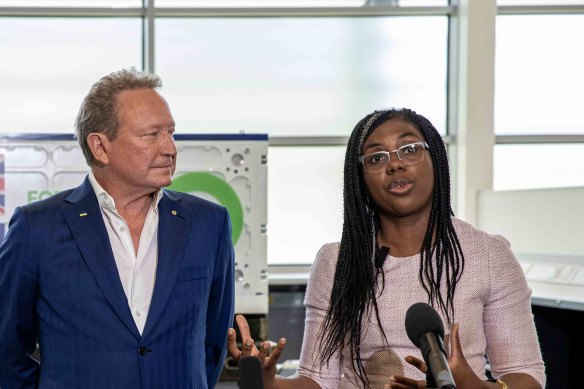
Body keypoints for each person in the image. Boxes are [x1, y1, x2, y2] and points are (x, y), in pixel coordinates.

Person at [228, 108, 545, 389]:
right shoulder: (336, 262)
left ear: (435, 158)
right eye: (377, 157)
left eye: (409, 149)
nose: (395, 165)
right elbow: (318, 380)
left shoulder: (487, 254)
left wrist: (477, 388)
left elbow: (525, 374)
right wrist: (269, 382)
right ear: (360, 179)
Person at [0, 68, 235, 388]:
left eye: (171, 132)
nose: (169, 148)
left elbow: (213, 344)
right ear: (100, 146)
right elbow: (7, 350)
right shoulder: (36, 228)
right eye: (152, 134)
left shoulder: (209, 224)